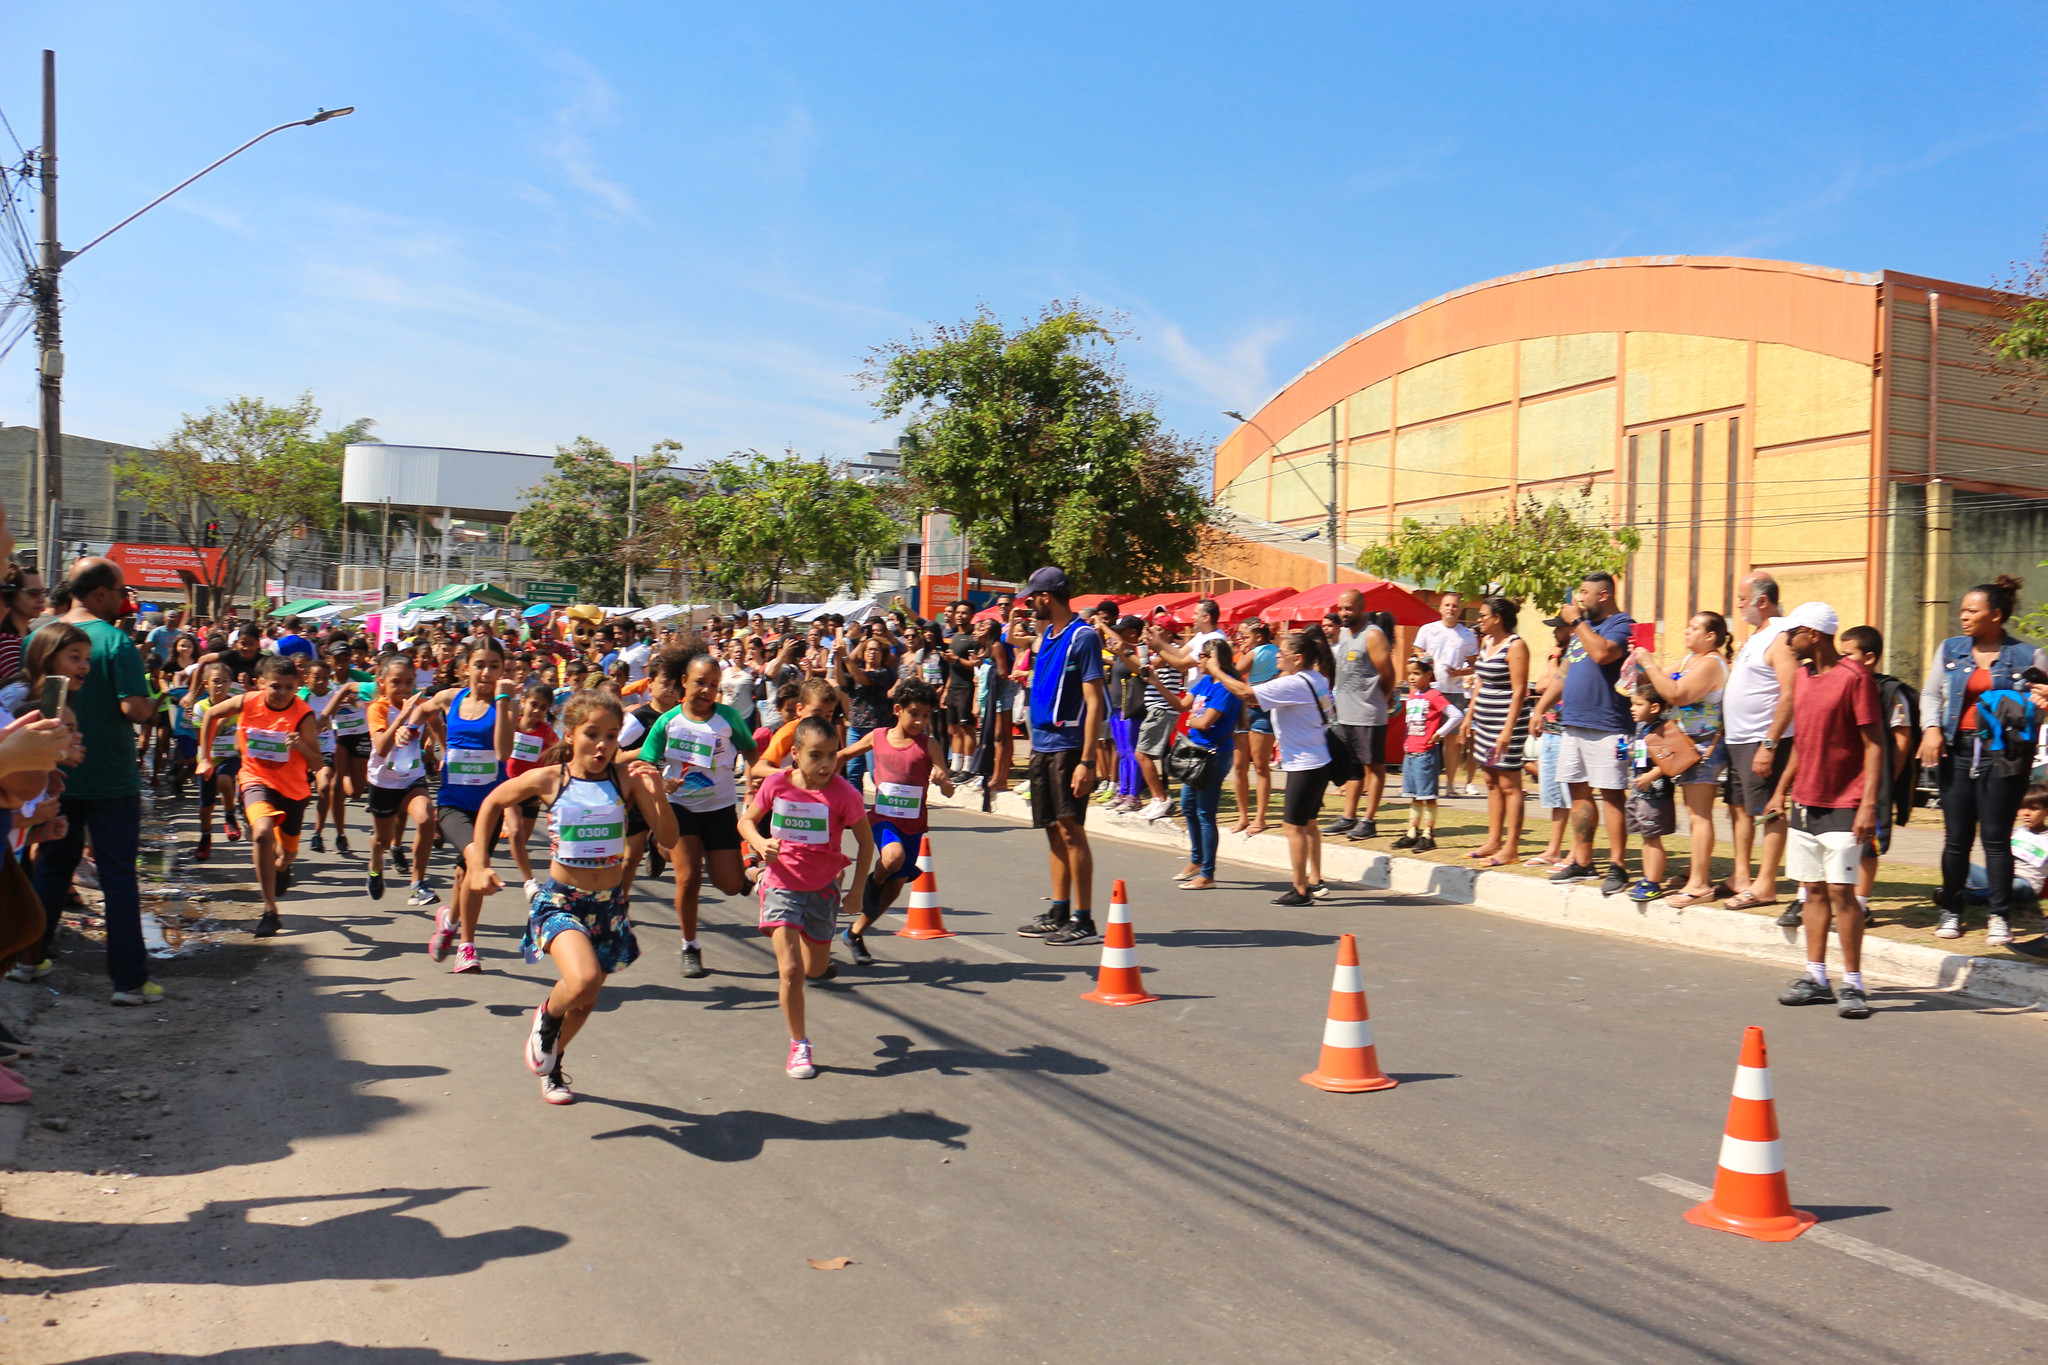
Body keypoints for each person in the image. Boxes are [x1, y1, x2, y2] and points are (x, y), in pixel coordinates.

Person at [469, 690, 675, 1105]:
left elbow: (669, 840)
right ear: (570, 734)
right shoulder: (551, 779)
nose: (602, 745)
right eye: (592, 734)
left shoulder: (625, 780)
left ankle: (553, 1063)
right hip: (562, 902)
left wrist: (656, 791)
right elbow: (493, 801)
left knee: (586, 999)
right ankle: (545, 1017)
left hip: (609, 906)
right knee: (583, 980)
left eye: (612, 736)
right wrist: (477, 862)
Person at [23, 558, 158, 1004]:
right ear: (101, 593)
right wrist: (157, 703)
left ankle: (27, 959)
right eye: (121, 591)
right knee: (118, 876)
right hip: (111, 780)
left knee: (53, 867)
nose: (124, 600)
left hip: (54, 775)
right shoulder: (116, 641)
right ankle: (129, 983)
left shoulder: (42, 636)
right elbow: (134, 709)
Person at [738, 715, 874, 1079]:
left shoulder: (845, 793)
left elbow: (866, 842)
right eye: (816, 755)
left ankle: (765, 876)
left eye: (832, 754)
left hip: (823, 889)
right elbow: (746, 821)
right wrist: (760, 842)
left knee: (815, 969)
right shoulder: (778, 784)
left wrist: (857, 889)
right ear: (795, 755)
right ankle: (799, 1044)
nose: (827, 764)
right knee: (792, 971)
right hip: (782, 883)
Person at [1768, 602, 1884, 1020]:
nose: (1785, 640)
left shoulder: (1856, 678)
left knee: (1841, 893)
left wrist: (1868, 803)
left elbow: (1874, 745)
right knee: (1812, 890)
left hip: (1845, 803)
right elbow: (1804, 742)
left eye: (1791, 633)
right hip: (1805, 800)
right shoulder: (1802, 676)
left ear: (1813, 635)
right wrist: (1781, 788)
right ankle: (1816, 978)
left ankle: (1853, 982)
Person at [1919, 575, 2048, 945]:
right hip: (1956, 751)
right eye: (1962, 610)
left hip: (2003, 756)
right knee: (1956, 839)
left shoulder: (2027, 656)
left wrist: (2044, 703)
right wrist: (1931, 729)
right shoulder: (1950, 650)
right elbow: (1930, 695)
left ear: (1995, 614)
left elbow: (2041, 705)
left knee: (1995, 840)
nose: (1963, 616)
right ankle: (1952, 911)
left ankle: (1999, 916)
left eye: (1971, 610)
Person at [641, 648, 759, 978]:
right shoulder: (668, 722)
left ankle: (659, 844)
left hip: (720, 808)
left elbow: (750, 751)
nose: (707, 690)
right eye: (700, 683)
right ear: (684, 682)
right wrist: (661, 786)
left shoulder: (728, 718)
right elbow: (645, 765)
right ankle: (690, 946)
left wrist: (756, 786)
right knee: (689, 876)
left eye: (713, 684)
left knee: (730, 884)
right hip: (681, 808)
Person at [1207, 628, 1337, 905]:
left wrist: (1216, 671)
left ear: (1299, 658)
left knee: (1293, 827)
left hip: (1305, 765)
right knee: (1309, 824)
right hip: (1318, 760)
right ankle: (1315, 880)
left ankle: (1300, 890)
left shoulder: (1295, 684)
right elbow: (1256, 697)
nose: (1278, 655)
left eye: (1283, 652)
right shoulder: (1317, 679)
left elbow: (1244, 692)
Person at [1014, 566, 1107, 945]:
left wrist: (1087, 762)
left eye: (1032, 596)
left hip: (1069, 749)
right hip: (1042, 747)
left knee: (1072, 832)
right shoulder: (1048, 636)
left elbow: (1094, 701)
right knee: (1052, 830)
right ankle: (1059, 910)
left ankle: (1083, 918)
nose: (1028, 603)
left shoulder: (1081, 637)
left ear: (1046, 597)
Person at [196, 655, 322, 937]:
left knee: (287, 855)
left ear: (297, 686)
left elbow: (318, 764)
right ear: (260, 684)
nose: (282, 694)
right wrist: (204, 757)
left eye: (290, 687)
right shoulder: (247, 702)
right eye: (276, 686)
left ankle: (281, 867)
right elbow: (210, 715)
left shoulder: (303, 714)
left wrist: (300, 745)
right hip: (255, 779)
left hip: (293, 790)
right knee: (262, 832)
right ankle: (269, 910)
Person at [1527, 572, 1634, 895]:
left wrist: (1576, 624)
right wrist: (1539, 708)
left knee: (1612, 795)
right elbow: (1562, 674)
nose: (1578, 600)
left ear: (1603, 595)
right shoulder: (1580, 631)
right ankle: (1583, 861)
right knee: (1578, 793)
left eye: (1584, 593)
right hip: (1573, 724)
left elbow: (1603, 654)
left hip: (1608, 725)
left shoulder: (1621, 624)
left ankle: (1618, 865)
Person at [835, 678, 954, 962]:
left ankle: (854, 933)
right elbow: (841, 756)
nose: (920, 722)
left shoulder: (930, 745)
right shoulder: (877, 737)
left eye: (926, 716)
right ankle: (873, 880)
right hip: (882, 820)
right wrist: (817, 777)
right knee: (893, 857)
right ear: (898, 709)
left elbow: (949, 789)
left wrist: (942, 780)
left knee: (895, 887)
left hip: (913, 825)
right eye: (915, 714)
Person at [417, 643, 519, 973]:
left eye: (493, 666)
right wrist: (417, 730)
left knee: (465, 872)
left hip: (489, 806)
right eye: (479, 665)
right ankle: (467, 946)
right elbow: (424, 708)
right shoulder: (452, 698)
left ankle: (449, 921)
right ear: (466, 668)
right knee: (477, 862)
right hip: (452, 805)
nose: (486, 673)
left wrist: (503, 703)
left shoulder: (507, 704)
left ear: (503, 671)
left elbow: (503, 753)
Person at [1631, 612, 1731, 903]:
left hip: (1703, 751)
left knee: (1699, 816)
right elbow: (1654, 684)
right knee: (1693, 813)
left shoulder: (1712, 663)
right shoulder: (1690, 661)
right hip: (1685, 748)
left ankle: (1699, 885)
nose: (1687, 631)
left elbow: (1676, 694)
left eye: (1694, 627)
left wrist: (1649, 663)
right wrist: (1640, 662)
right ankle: (1694, 873)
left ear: (1711, 636)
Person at [1721, 572, 1799, 913]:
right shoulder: (1756, 636)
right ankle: (1741, 877)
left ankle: (1765, 884)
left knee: (1769, 811)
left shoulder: (1780, 637)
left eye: (1742, 599)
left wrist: (1770, 744)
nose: (1738, 605)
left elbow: (1790, 693)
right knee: (1739, 809)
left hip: (1761, 740)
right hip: (1739, 739)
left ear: (1761, 601)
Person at [1838, 625, 1917, 927]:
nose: (1843, 661)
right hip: (1844, 779)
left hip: (1875, 781)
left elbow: (1902, 738)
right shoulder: (1841, 683)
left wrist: (1887, 779)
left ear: (1869, 658)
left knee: (1867, 844)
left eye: (1849, 655)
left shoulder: (1890, 692)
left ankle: (1861, 904)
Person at [1462, 596, 1531, 865]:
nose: (1479, 620)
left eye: (1482, 615)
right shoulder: (1488, 642)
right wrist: (1470, 715)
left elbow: (1518, 692)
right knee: (1490, 779)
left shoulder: (1516, 646)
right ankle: (1493, 840)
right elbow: (1480, 681)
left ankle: (1511, 847)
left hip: (1506, 723)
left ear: (1497, 618)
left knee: (1509, 784)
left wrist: (1507, 730)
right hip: (1485, 720)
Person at [364, 656, 439, 904]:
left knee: (427, 818)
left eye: (408, 682)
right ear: (382, 683)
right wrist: (401, 718)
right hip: (383, 782)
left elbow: (437, 722)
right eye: (396, 682)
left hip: (411, 778)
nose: (403, 688)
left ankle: (417, 883)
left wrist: (445, 749)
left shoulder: (421, 704)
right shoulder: (377, 708)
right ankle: (376, 864)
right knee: (383, 840)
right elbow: (382, 748)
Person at [1167, 637, 1240, 890]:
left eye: (1203, 656)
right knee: (1188, 806)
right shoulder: (1206, 681)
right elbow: (1182, 705)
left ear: (1215, 659)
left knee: (1205, 813)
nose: (1198, 660)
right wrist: (1156, 683)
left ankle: (1207, 873)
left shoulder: (1226, 688)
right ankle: (1197, 861)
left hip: (1213, 755)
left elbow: (1206, 722)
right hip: (1196, 752)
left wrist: (1191, 721)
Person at [1326, 589, 1394, 842]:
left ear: (1361, 609)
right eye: (1341, 608)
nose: (1344, 613)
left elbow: (1388, 675)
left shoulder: (1373, 635)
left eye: (1349, 609)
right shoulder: (1344, 633)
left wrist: (1379, 699)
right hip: (1344, 714)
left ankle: (1369, 820)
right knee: (1351, 768)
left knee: (1373, 767)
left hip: (1368, 714)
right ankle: (1349, 816)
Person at [1414, 592, 1479, 796]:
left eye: (1454, 606)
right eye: (1447, 605)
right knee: (1424, 736)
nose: (1450, 609)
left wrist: (1459, 672)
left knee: (1452, 740)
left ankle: (1450, 785)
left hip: (1455, 691)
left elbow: (1475, 664)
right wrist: (1426, 662)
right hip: (1429, 690)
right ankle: (1419, 782)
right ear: (1440, 608)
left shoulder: (1467, 635)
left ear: (1460, 610)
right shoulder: (1428, 629)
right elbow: (1416, 654)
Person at [1392, 659, 1460, 851]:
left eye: (1416, 673)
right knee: (1414, 795)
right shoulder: (1413, 695)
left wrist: (1441, 733)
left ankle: (1428, 834)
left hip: (1425, 753)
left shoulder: (1434, 695)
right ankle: (1412, 831)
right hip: (1410, 752)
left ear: (1429, 674)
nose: (1411, 677)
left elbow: (1456, 715)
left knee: (1428, 796)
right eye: (1409, 673)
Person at [1623, 682, 1679, 902]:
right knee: (1646, 838)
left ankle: (1654, 882)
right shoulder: (1642, 728)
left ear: (1654, 707)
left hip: (1655, 795)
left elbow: (1670, 758)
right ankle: (1647, 878)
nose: (1632, 708)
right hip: (1640, 792)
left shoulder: (1663, 728)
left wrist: (1650, 776)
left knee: (1652, 838)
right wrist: (1628, 753)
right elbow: (1642, 755)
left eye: (1638, 704)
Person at [505, 682, 560, 897]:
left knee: (522, 839)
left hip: (533, 793)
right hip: (510, 788)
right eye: (533, 704)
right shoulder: (512, 726)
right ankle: (529, 882)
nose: (537, 711)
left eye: (543, 707)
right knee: (516, 835)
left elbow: (558, 756)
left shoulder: (547, 733)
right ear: (523, 702)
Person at [1230, 619, 1280, 835]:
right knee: (1259, 767)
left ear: (1258, 636)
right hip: (1259, 710)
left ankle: (1247, 817)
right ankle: (1256, 817)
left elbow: (1233, 673)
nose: (1242, 640)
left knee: (1243, 767)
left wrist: (1240, 651)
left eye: (1245, 636)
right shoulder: (1277, 651)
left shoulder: (1255, 652)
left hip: (1251, 710)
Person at [835, 635, 897, 796]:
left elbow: (862, 680)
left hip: (875, 729)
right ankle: (856, 812)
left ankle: (882, 808)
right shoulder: (857, 671)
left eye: (876, 649)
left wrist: (845, 657)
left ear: (883, 654)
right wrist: (836, 658)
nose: (872, 652)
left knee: (875, 773)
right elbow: (842, 681)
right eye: (869, 649)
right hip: (855, 728)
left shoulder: (882, 673)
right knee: (853, 772)